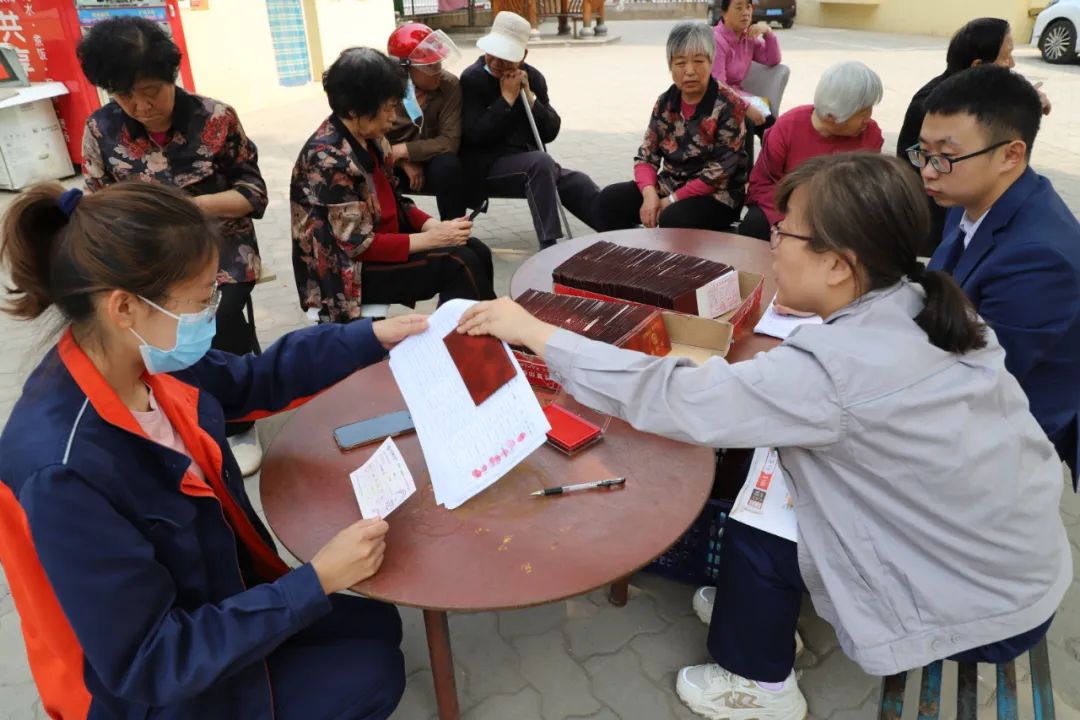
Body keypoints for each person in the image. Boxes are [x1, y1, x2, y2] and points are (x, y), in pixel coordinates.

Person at [457, 153, 1069, 719]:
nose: (773, 245)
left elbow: (672, 398)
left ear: (839, 265)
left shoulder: (830, 369)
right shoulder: (926, 303)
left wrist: (538, 333)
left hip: (976, 599)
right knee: (771, 481)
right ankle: (757, 617)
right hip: (1010, 555)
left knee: (763, 510)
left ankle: (761, 684)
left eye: (787, 231)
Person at [0, 181, 429, 719]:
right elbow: (149, 660)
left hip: (214, 596)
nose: (212, 310)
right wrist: (315, 580)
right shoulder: (62, 471)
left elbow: (253, 379)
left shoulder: (146, 358)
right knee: (371, 675)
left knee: (377, 624)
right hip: (157, 688)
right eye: (203, 298)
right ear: (126, 307)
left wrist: (372, 337)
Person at [78, 16, 269, 474]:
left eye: (151, 90)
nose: (141, 105)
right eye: (124, 95)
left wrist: (189, 208)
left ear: (172, 77)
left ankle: (239, 419)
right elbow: (97, 204)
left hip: (221, 247)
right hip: (146, 254)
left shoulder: (216, 118)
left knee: (217, 314)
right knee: (131, 321)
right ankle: (167, 403)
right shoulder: (101, 130)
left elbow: (253, 193)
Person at [915, 65, 1080, 489]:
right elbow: (939, 283)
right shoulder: (971, 196)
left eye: (946, 156)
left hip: (1005, 430)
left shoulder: (1039, 258)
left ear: (1011, 154)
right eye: (924, 152)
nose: (928, 171)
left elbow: (979, 381)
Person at [292, 47, 495, 325]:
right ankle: (467, 345)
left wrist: (432, 226)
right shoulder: (327, 159)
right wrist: (432, 240)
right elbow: (357, 246)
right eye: (388, 108)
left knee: (477, 250)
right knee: (458, 262)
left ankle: (480, 336)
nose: (392, 117)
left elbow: (396, 201)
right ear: (354, 110)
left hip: (378, 249)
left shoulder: (373, 139)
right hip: (343, 276)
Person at [896, 17, 1052, 252]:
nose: (1012, 64)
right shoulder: (934, 109)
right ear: (978, 66)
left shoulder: (1029, 237)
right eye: (1006, 56)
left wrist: (1026, 98)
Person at [459, 11, 603, 249]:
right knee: (540, 163)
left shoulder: (533, 78)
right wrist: (505, 100)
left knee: (576, 181)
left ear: (522, 55)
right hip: (487, 166)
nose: (495, 62)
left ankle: (618, 228)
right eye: (491, 54)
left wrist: (530, 98)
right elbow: (476, 135)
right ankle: (550, 244)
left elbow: (550, 131)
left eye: (505, 57)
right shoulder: (472, 79)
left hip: (531, 163)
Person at [596, 22, 748, 232]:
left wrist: (670, 202)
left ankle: (675, 265)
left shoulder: (730, 105)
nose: (690, 71)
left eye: (698, 61)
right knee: (609, 201)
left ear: (711, 62)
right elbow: (646, 157)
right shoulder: (666, 102)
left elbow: (718, 174)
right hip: (670, 184)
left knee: (673, 218)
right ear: (670, 66)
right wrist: (650, 195)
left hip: (717, 195)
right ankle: (627, 259)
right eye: (680, 63)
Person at [739, 60, 883, 241]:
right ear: (832, 116)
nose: (867, 120)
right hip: (788, 209)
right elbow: (761, 185)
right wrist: (794, 218)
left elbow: (867, 192)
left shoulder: (870, 135)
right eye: (862, 114)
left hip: (840, 214)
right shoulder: (787, 127)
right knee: (755, 223)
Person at [385, 23, 468, 220]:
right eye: (429, 66)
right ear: (405, 69)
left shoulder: (449, 86)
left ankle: (454, 232)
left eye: (438, 62)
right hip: (389, 161)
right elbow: (369, 137)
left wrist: (404, 150)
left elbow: (449, 142)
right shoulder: (384, 90)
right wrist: (404, 161)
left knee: (448, 165)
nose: (438, 69)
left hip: (431, 160)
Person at [711, 0, 782, 129]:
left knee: (770, 122)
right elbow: (719, 85)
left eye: (748, 7)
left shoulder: (748, 38)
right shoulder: (716, 39)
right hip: (716, 99)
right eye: (739, 8)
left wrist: (768, 32)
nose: (745, 13)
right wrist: (746, 107)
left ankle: (769, 149)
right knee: (747, 122)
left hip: (737, 95)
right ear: (724, 14)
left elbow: (772, 59)